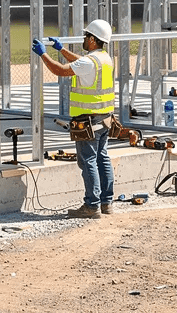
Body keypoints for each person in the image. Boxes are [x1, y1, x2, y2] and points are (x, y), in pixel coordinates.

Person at [32, 19, 116, 219]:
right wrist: (61, 50)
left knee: (88, 161)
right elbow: (80, 62)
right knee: (102, 158)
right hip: (105, 118)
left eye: (87, 36)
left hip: (89, 120)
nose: (84, 39)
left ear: (94, 40)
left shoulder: (89, 62)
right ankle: (106, 202)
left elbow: (60, 70)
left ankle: (92, 205)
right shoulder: (104, 58)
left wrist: (43, 54)